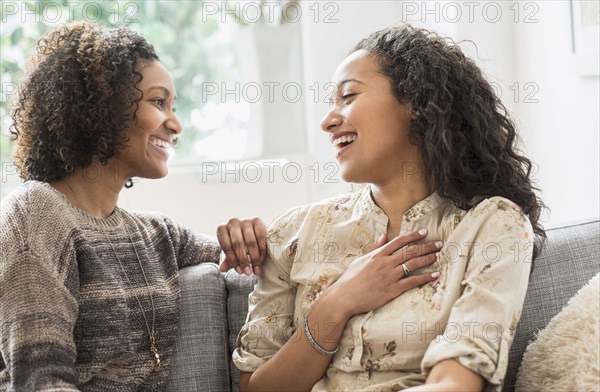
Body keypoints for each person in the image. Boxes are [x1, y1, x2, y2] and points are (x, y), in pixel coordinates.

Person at [226, 25, 546, 391]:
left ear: (415, 102)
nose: (328, 121)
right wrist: (336, 304)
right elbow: (257, 388)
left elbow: (454, 385)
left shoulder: (492, 227)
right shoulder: (293, 234)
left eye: (348, 96)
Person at [0, 22, 265, 391]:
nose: (175, 124)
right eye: (159, 102)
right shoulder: (37, 214)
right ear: (103, 105)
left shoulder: (155, 235)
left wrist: (247, 235)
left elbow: (245, 256)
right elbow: (38, 379)